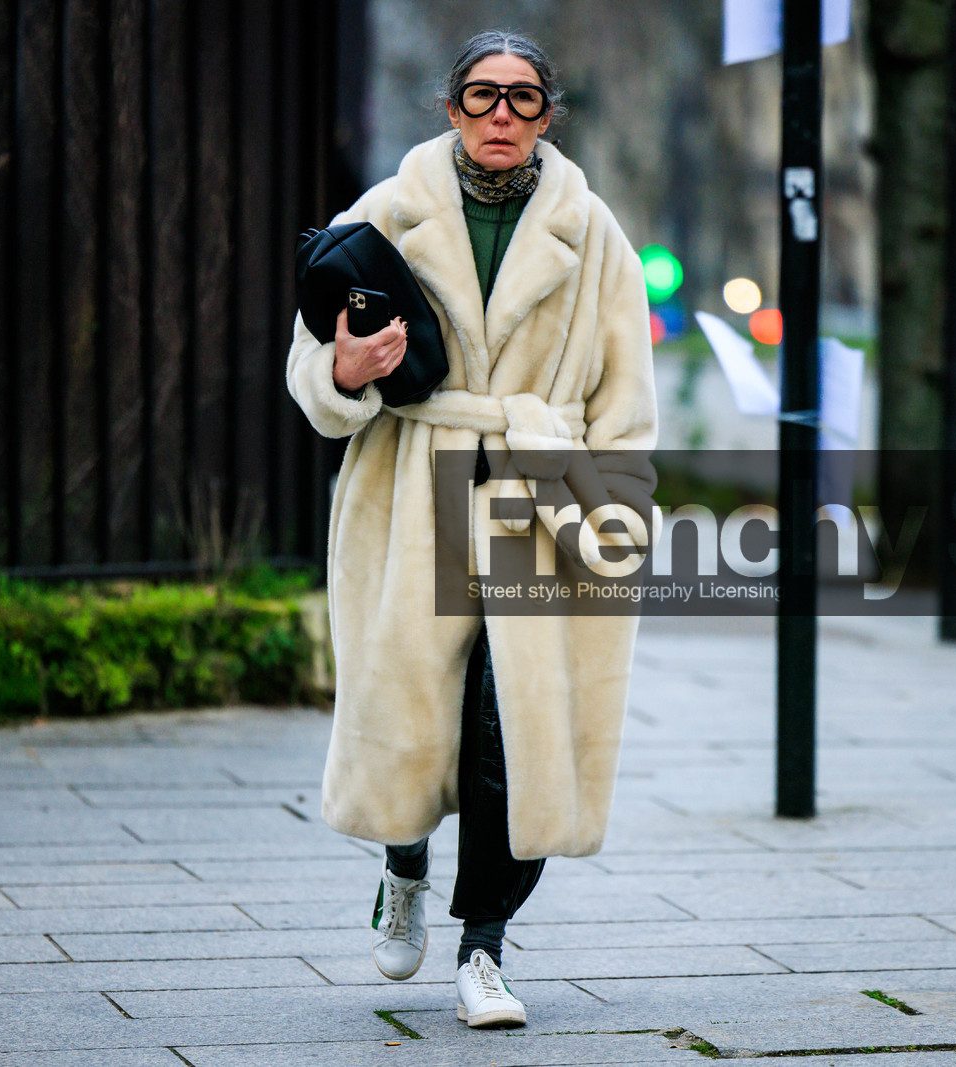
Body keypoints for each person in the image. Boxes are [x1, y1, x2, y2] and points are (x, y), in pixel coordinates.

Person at [286, 29, 657, 1030]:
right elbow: (310, 369)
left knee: (514, 733)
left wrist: (616, 516)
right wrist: (347, 373)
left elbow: (627, 404)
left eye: (523, 98)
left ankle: (483, 948)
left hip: (541, 498)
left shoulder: (595, 234)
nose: (502, 115)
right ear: (450, 109)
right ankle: (401, 866)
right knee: (410, 711)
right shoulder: (382, 215)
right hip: (409, 488)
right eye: (483, 96)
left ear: (549, 115)